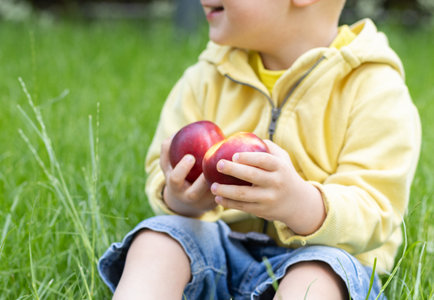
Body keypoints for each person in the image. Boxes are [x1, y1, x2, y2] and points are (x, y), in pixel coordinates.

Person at [98, 0, 421, 299]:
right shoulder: (207, 76)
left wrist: (299, 204)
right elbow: (161, 166)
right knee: (158, 240)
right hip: (220, 247)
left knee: (315, 279)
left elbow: (375, 211)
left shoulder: (374, 89)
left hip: (322, 255)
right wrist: (178, 196)